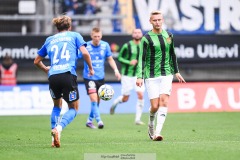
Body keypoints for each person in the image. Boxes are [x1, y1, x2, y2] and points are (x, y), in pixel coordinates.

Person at [33, 15, 94, 148]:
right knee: (74, 108)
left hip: (53, 76)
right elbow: (85, 53)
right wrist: (90, 67)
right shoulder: (74, 35)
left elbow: (36, 61)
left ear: (57, 27)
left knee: (56, 106)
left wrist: (46, 70)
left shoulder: (50, 39)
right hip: (67, 75)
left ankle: (52, 140)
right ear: (69, 26)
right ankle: (58, 129)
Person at [136, 10, 186, 141]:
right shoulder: (146, 38)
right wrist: (139, 76)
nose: (157, 22)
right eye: (155, 20)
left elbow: (172, 54)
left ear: (162, 20)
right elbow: (141, 58)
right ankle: (151, 124)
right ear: (150, 22)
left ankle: (157, 132)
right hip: (151, 75)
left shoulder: (169, 35)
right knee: (155, 106)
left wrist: (176, 71)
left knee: (164, 101)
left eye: (159, 20)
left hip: (166, 74)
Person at [79, 27, 121, 129]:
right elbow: (77, 57)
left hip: (100, 77)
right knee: (93, 99)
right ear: (91, 36)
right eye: (95, 36)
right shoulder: (86, 46)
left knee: (97, 101)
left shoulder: (105, 45)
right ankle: (99, 121)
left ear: (101, 36)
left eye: (98, 36)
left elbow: (110, 59)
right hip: (89, 77)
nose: (97, 38)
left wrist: (116, 70)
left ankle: (89, 121)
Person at [110, 28, 145, 125]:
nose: (137, 34)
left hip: (139, 75)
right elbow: (120, 57)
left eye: (139, 33)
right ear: (132, 34)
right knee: (126, 98)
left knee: (141, 95)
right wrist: (129, 62)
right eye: (135, 32)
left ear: (141, 34)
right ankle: (116, 103)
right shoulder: (127, 45)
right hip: (127, 76)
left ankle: (137, 119)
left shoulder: (144, 46)